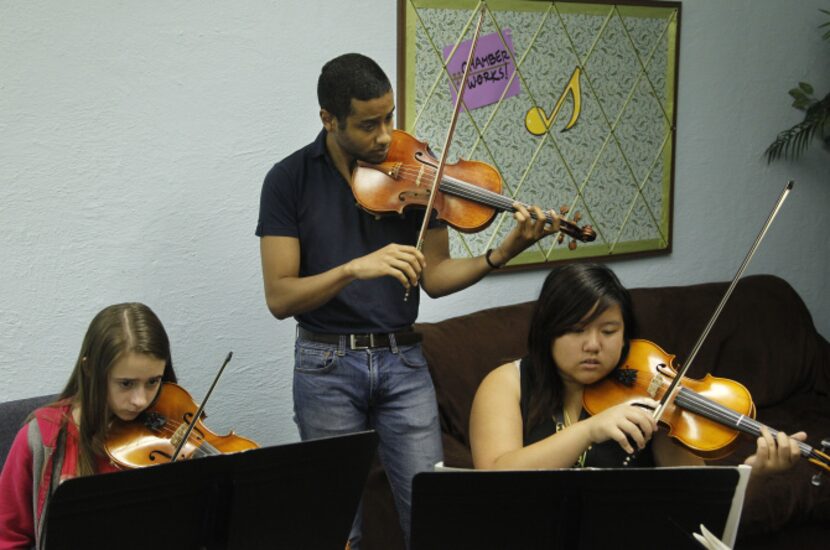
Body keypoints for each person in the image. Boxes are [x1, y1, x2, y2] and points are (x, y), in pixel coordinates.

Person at [256, 52, 559, 548]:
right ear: (328, 119)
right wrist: (355, 267)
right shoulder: (289, 180)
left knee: (433, 512)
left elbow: (435, 277)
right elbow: (280, 295)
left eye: (390, 117)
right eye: (368, 124)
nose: (384, 135)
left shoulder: (415, 172)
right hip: (326, 363)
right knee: (340, 528)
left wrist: (500, 254)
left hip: (403, 358)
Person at [469, 263, 806, 479]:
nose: (592, 345)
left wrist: (752, 474)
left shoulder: (652, 393)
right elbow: (494, 478)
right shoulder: (507, 383)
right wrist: (589, 430)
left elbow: (693, 499)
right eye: (575, 330)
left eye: (609, 330)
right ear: (547, 332)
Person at [0, 302, 176, 550]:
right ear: (90, 368)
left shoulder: (167, 430)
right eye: (126, 384)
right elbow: (7, 539)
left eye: (153, 382)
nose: (141, 400)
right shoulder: (42, 437)